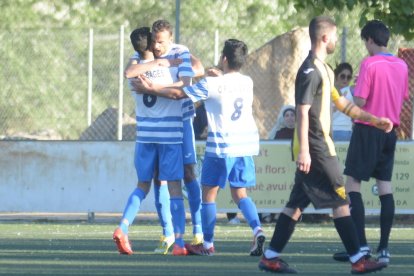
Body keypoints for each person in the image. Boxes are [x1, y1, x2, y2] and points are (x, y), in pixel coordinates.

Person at [258, 16, 392, 274]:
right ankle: (358, 260)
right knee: (341, 202)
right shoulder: (309, 70)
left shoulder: (325, 69)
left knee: (295, 204)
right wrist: (306, 150)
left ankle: (270, 257)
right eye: (334, 36)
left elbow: (343, 104)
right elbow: (302, 111)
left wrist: (374, 120)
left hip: (318, 147)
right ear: (324, 38)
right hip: (317, 148)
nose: (336, 41)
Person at [135, 39, 266, 257]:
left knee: (208, 196)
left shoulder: (211, 84)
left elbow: (179, 94)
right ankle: (258, 230)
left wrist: (151, 88)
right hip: (245, 145)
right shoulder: (248, 82)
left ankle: (207, 245)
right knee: (241, 193)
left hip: (222, 146)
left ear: (224, 58)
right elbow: (227, 86)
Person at [113, 20, 196, 256]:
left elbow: (129, 70)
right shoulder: (167, 69)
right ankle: (179, 243)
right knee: (175, 189)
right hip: (169, 136)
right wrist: (163, 72)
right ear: (151, 43)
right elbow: (179, 92)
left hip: (144, 137)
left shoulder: (135, 71)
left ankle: (123, 227)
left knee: (142, 186)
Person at [333, 20, 409, 265]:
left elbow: (361, 101)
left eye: (364, 41)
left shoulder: (369, 63)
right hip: (390, 131)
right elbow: (403, 95)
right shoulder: (401, 64)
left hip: (368, 129)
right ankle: (384, 248)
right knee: (385, 188)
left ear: (369, 40)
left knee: (352, 184)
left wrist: (354, 90)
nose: (365, 46)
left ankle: (361, 246)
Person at [332, 62, 354, 141]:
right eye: (342, 76)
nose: (345, 79)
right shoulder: (329, 91)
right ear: (336, 76)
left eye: (348, 77)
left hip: (347, 130)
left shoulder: (350, 91)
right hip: (333, 129)